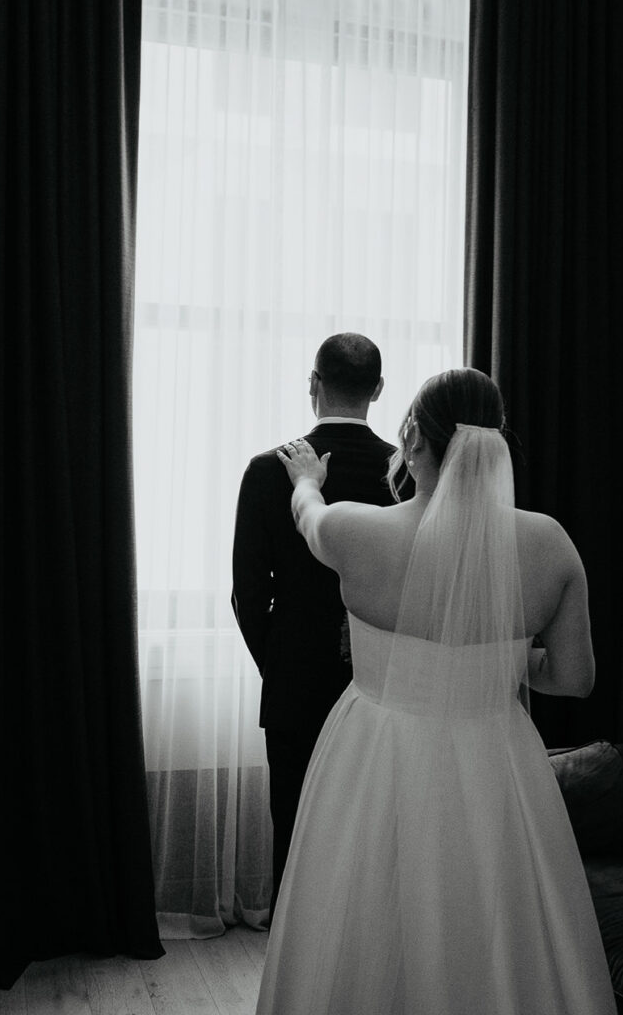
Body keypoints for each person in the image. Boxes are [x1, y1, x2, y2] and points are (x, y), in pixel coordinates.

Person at [256, 368, 616, 1015]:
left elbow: (307, 516)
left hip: (375, 751)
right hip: (494, 756)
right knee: (488, 913)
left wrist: (308, 481)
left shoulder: (354, 530)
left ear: (413, 438)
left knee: (361, 911)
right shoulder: (547, 543)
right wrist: (501, 661)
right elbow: (572, 678)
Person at [231, 333, 397, 923]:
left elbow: (248, 595)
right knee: (376, 835)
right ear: (378, 389)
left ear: (312, 383)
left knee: (297, 829)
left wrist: (279, 660)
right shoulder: (403, 472)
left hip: (296, 680)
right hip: (387, 685)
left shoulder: (266, 469)